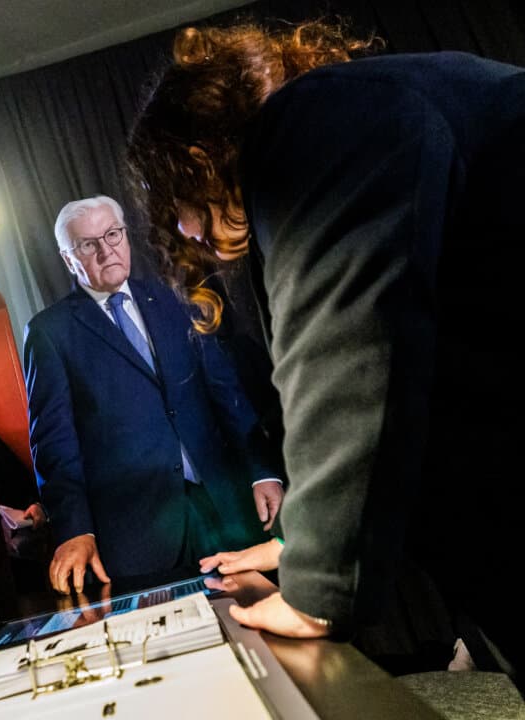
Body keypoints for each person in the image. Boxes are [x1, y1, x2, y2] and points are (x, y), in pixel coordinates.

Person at [124, 21, 525, 689]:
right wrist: (293, 545)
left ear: (193, 157)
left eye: (175, 212)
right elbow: (412, 370)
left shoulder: (311, 119)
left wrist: (315, 590)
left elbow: (350, 361)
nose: (186, 235)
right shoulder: (354, 112)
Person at [23, 194, 284, 594]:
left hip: (223, 506)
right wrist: (75, 529)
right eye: (88, 244)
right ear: (67, 258)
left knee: (260, 621)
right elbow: (54, 443)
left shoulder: (174, 298)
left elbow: (224, 390)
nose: (106, 250)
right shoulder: (49, 332)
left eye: (113, 234)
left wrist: (261, 469)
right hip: (137, 537)